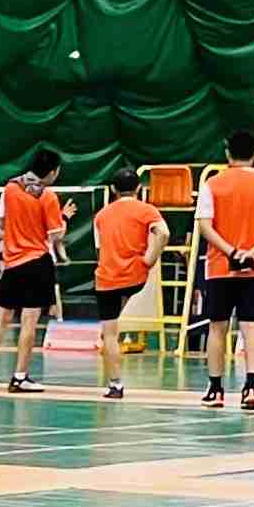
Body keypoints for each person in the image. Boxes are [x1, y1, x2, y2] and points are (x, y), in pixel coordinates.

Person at [0, 148, 69, 393]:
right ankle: (20, 377)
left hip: (11, 264)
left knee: (0, 319)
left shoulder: (11, 188)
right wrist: (64, 218)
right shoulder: (48, 196)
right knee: (29, 322)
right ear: (52, 172)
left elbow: (1, 225)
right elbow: (55, 235)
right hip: (37, 262)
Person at [196, 126, 254, 413]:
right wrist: (252, 253)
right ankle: (250, 387)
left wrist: (230, 252)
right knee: (251, 326)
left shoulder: (212, 184)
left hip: (220, 268)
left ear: (228, 153)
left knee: (217, 327)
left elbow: (204, 226)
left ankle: (215, 389)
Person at [88, 169, 166, 404]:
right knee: (120, 310)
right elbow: (163, 233)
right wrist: (150, 259)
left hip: (107, 279)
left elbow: (99, 250)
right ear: (139, 188)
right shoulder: (147, 210)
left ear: (113, 189)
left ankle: (115, 384)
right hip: (135, 277)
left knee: (110, 334)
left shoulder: (101, 216)